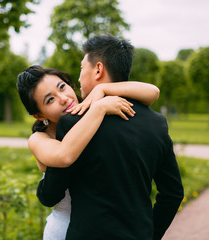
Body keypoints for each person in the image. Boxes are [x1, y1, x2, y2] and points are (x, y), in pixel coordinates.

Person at [36, 34, 184, 240]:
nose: (78, 79)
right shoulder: (157, 123)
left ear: (98, 69)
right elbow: (173, 193)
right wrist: (150, 235)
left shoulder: (73, 123)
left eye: (81, 68)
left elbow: (50, 195)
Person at [17, 65, 160, 239]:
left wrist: (102, 88)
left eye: (62, 87)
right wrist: (100, 109)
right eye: (50, 100)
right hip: (63, 230)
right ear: (39, 116)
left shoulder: (92, 101)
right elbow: (64, 155)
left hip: (104, 228)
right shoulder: (39, 139)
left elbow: (152, 92)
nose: (63, 98)